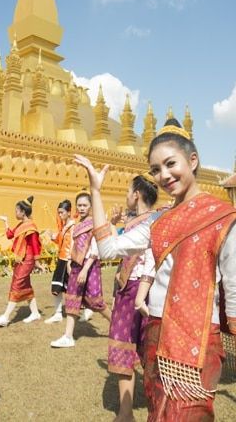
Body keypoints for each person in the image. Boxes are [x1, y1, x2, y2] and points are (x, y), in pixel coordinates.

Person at [74, 118, 236, 420]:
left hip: (198, 339)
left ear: (192, 161)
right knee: (158, 414)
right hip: (156, 333)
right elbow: (107, 249)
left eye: (171, 164)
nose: (164, 175)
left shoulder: (225, 218)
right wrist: (95, 190)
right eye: (156, 170)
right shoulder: (160, 220)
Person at [107, 174, 158, 422]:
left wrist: (140, 295)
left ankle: (135, 412)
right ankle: (126, 412)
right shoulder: (135, 221)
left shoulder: (153, 221)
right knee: (128, 347)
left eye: (128, 191)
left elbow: (151, 257)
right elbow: (115, 248)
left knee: (141, 348)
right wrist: (113, 224)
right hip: (132, 288)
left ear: (137, 194)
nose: (126, 196)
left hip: (140, 289)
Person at [50, 192, 111, 348]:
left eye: (85, 205)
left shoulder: (94, 224)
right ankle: (68, 336)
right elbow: (73, 245)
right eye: (79, 205)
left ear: (91, 206)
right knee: (72, 298)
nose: (82, 208)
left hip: (89, 266)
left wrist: (85, 269)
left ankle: (115, 325)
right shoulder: (78, 224)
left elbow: (95, 250)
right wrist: (70, 262)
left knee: (96, 301)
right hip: (76, 265)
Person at [0, 196, 44, 326]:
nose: (16, 213)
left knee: (17, 284)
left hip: (27, 259)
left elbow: (35, 245)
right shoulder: (21, 225)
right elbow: (10, 235)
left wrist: (37, 262)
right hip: (21, 259)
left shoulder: (31, 227)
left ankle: (5, 317)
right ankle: (35, 313)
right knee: (25, 285)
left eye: (17, 211)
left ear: (23, 212)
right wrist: (6, 222)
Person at [44, 200, 75, 323]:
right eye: (59, 213)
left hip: (67, 260)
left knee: (71, 289)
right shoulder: (64, 227)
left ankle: (86, 310)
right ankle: (58, 313)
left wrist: (69, 262)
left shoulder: (72, 227)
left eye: (62, 212)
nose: (60, 215)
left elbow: (72, 244)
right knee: (57, 286)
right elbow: (61, 242)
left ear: (69, 212)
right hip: (61, 259)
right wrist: (52, 236)